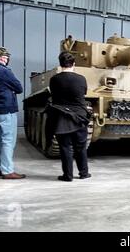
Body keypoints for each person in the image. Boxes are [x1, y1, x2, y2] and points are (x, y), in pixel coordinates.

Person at [0, 47, 26, 179]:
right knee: (8, 140)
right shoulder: (3, 71)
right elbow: (19, 88)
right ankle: (7, 171)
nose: (7, 59)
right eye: (6, 57)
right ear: (2, 58)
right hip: (6, 110)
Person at [48, 52, 91, 182]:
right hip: (79, 117)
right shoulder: (81, 78)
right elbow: (83, 93)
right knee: (80, 147)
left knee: (65, 147)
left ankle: (68, 176)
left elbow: (53, 95)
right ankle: (83, 173)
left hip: (61, 117)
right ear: (74, 64)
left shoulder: (54, 79)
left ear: (60, 64)